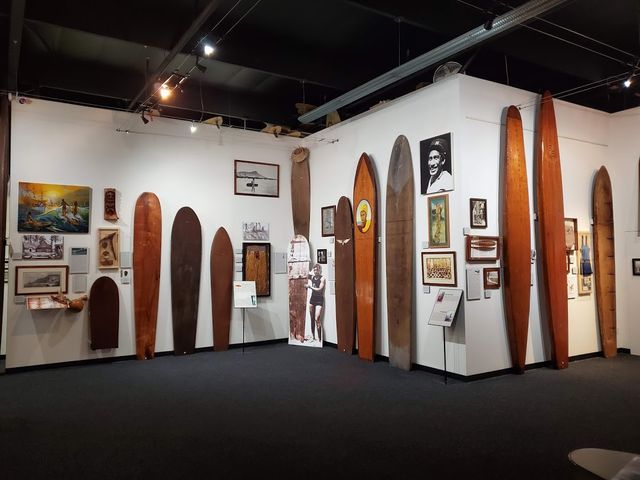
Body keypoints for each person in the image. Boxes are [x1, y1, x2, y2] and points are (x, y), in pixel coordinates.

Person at [307, 263, 326, 342]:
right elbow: (306, 273)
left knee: (317, 318)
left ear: (320, 270)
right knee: (312, 318)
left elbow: (319, 289)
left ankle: (320, 339)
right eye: (314, 270)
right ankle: (313, 336)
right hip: (312, 299)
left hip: (319, 299)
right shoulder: (312, 277)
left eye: (317, 270)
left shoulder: (322, 278)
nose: (316, 271)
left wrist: (310, 287)